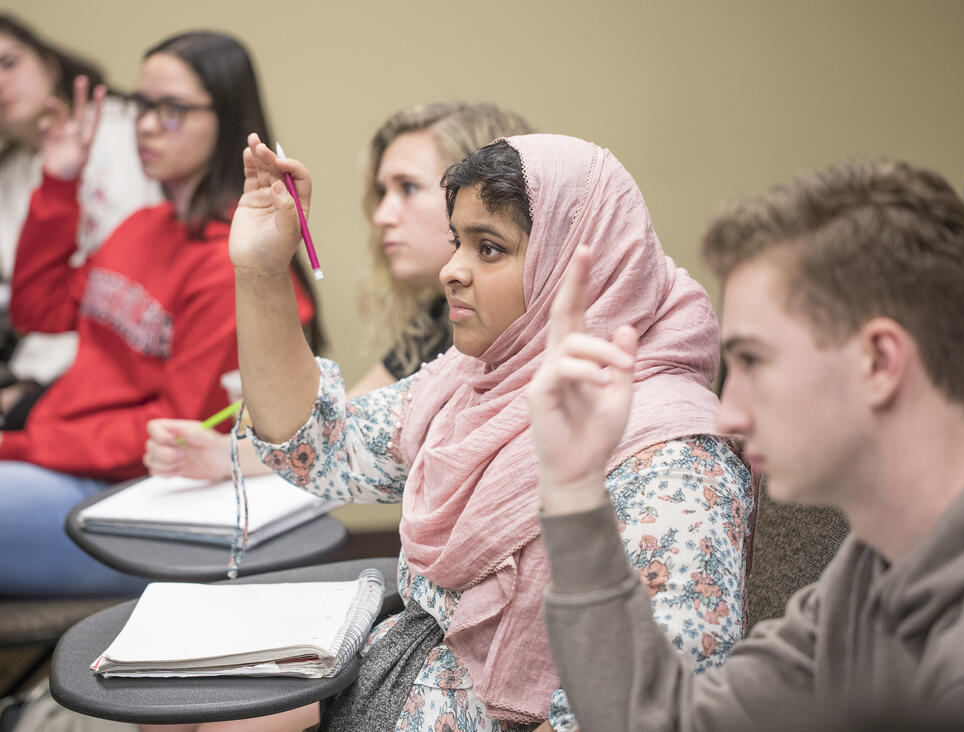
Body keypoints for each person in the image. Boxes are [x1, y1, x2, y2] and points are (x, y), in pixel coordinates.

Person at [222, 133, 752, 731]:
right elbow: (319, 447)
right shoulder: (472, 381)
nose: (452, 270)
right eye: (457, 241)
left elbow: (655, 710)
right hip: (392, 682)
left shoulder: (674, 460)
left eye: (489, 249)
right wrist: (262, 270)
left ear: (575, 259)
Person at [531, 159, 964, 729]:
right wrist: (574, 487)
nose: (728, 415)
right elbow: (665, 722)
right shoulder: (877, 562)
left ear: (879, 361)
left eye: (753, 360)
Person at [0, 31, 315, 597]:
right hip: (63, 460)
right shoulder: (140, 228)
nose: (145, 124)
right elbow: (36, 309)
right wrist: (60, 180)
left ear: (226, 121)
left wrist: (28, 441)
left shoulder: (233, 268)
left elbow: (172, 434)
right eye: (142, 105)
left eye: (171, 110)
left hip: (130, 497)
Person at [142, 102, 533, 481]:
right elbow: (339, 434)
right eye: (383, 192)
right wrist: (220, 455)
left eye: (408, 188)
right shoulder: (437, 319)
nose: (381, 216)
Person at [0, 14, 161, 428]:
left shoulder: (127, 132)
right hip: (35, 364)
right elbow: (24, 303)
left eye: (9, 63)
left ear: (50, 64)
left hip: (116, 366)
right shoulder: (11, 171)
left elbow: (131, 278)